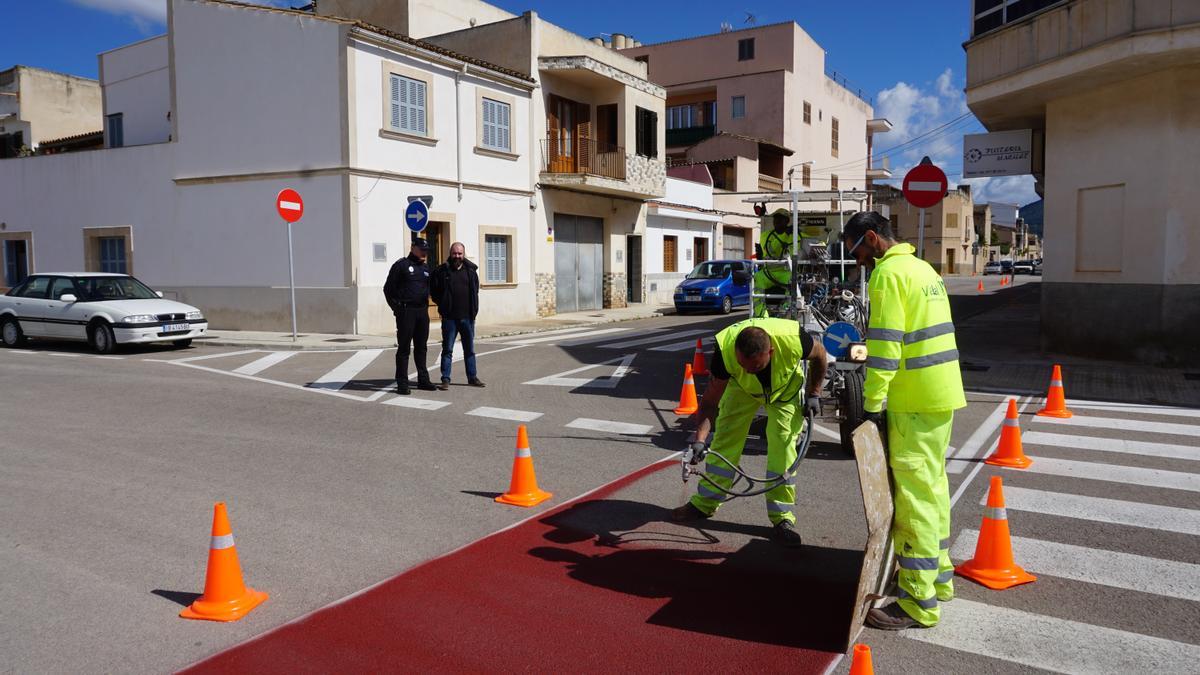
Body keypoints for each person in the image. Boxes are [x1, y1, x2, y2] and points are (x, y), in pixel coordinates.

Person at [840, 211, 966, 630]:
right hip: (940, 394)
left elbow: (886, 349)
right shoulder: (923, 268)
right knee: (931, 487)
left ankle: (918, 600)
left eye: (856, 250)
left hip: (912, 399)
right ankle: (938, 577)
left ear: (872, 239)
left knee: (913, 498)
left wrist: (872, 406)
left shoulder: (888, 275)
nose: (856, 260)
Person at [673, 317, 827, 548]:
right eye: (743, 364)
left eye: (755, 366)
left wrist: (814, 392)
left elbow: (821, 354)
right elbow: (710, 403)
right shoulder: (725, 354)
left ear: (771, 352)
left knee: (783, 448)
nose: (749, 370)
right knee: (725, 440)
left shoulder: (794, 339)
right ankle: (704, 503)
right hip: (741, 389)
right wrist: (700, 440)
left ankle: (782, 517)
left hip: (784, 390)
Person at [383, 236, 436, 395]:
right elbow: (388, 290)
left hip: (422, 312)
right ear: (413, 248)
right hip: (406, 312)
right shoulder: (401, 266)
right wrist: (397, 309)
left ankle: (423, 379)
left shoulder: (426, 268)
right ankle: (402, 383)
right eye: (421, 250)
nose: (424, 253)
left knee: (422, 348)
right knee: (404, 348)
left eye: (426, 251)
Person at [430, 241, 485, 390]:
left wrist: (473, 312)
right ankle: (445, 379)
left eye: (460, 253)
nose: (457, 256)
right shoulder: (442, 272)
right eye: (454, 253)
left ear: (463, 254)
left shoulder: (471, 272)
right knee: (447, 350)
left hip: (467, 318)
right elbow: (433, 291)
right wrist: (442, 304)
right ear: (450, 254)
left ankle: (472, 377)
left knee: (469, 350)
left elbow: (475, 292)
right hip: (449, 319)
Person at [752, 209, 795, 317]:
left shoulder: (794, 235)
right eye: (775, 219)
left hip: (785, 272)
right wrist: (786, 235)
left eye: (780, 219)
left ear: (787, 221)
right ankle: (761, 314)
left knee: (794, 281)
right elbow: (773, 250)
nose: (777, 221)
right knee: (757, 277)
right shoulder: (765, 235)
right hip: (768, 272)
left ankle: (784, 311)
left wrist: (792, 234)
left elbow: (794, 251)